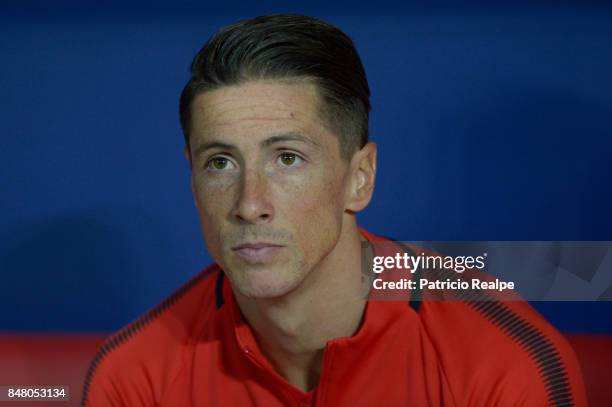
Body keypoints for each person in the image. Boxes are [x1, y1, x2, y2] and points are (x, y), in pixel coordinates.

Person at [81, 14, 586, 406]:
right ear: (192, 178)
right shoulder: (133, 378)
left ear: (359, 178)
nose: (249, 204)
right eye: (220, 162)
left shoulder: (501, 365)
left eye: (288, 158)